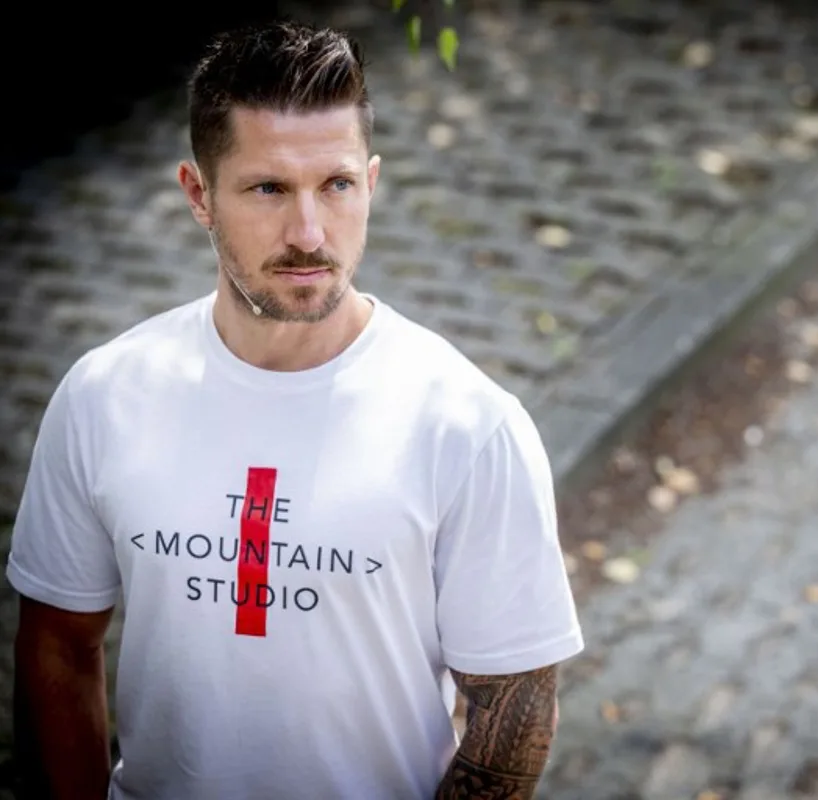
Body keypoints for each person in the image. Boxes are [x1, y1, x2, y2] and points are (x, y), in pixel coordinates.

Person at [7, 19, 584, 800]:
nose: (309, 234)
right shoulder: (105, 395)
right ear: (198, 195)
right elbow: (57, 646)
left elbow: (514, 712)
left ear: (371, 184)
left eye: (336, 185)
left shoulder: (469, 425)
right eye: (269, 188)